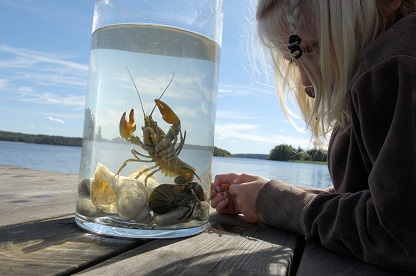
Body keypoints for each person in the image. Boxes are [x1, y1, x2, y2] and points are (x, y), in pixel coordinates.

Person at [211, 0, 416, 272]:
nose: (305, 81)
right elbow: (364, 195)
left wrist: (276, 203)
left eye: (310, 47)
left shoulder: (394, 62)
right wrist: (266, 193)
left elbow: (399, 232)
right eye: (293, 60)